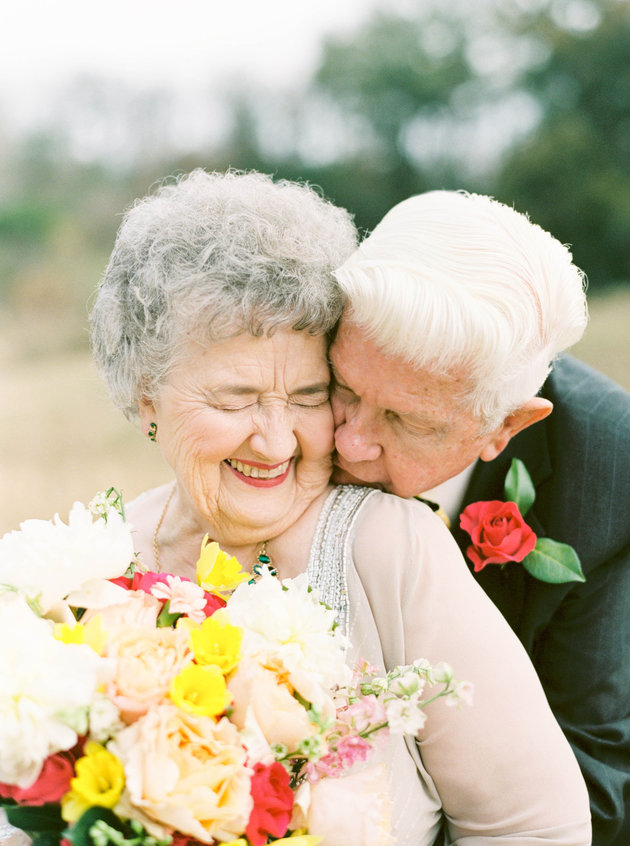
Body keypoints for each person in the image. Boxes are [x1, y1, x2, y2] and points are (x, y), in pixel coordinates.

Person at [89, 169, 590, 845]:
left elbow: (536, 829)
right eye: (235, 398)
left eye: (308, 395)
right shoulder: (77, 569)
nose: (274, 440)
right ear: (147, 395)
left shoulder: (392, 550)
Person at [330, 189, 630, 846]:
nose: (348, 442)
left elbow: (596, 787)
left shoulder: (609, 473)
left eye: (405, 421)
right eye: (343, 389)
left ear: (504, 427)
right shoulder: (284, 406)